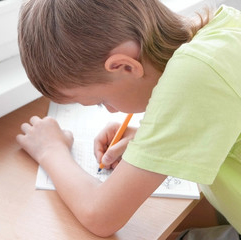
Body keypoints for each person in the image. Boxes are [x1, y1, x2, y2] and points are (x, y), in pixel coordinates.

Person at [16, 0, 241, 238]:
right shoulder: (222, 30)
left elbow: (101, 216)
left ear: (125, 66)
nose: (111, 111)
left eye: (102, 101)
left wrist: (50, 150)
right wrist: (151, 138)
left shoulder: (195, 76)